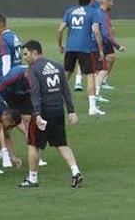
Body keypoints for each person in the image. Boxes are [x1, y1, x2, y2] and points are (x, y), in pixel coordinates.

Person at [18, 40, 83, 188]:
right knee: (61, 144)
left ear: (35, 53)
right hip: (58, 110)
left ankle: (32, 178)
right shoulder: (58, 66)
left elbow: (35, 94)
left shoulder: (33, 69)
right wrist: (71, 111)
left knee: (33, 144)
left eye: (26, 54)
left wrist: (37, 114)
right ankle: (75, 172)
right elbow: (66, 90)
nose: (25, 58)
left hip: (43, 112)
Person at [57, 0, 105, 116]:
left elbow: (59, 30)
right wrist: (100, 49)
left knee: (66, 75)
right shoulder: (92, 11)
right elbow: (97, 32)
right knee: (91, 76)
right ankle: (92, 108)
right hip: (85, 48)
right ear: (90, 1)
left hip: (70, 48)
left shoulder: (70, 11)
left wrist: (60, 45)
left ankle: (56, 101)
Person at [0, 13, 23, 165]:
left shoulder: (2, 39)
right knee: (13, 119)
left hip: (4, 85)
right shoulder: (14, 37)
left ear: (1, 25)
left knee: (0, 120)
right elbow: (16, 61)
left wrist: (3, 80)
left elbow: (7, 62)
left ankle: (5, 156)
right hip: (16, 80)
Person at [94, 0, 124, 103]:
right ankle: (96, 93)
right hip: (101, 42)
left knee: (110, 60)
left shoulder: (101, 13)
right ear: (105, 2)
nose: (113, 4)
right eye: (111, 2)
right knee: (101, 69)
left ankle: (100, 84)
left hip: (103, 42)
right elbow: (105, 33)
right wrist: (117, 45)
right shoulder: (101, 14)